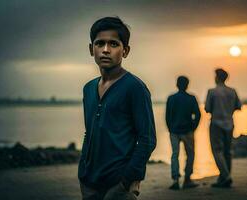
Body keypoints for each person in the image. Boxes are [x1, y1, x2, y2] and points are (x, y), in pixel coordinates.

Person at [78, 17, 157, 200]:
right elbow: (88, 133)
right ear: (92, 49)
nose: (106, 50)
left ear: (125, 51)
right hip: (89, 183)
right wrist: (83, 170)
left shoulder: (135, 87)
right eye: (100, 43)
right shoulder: (88, 89)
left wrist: (127, 181)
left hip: (119, 184)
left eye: (113, 44)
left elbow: (147, 139)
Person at [205, 68, 242, 188]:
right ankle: (224, 178)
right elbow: (238, 106)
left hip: (216, 123)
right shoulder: (232, 91)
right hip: (229, 124)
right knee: (228, 151)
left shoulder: (212, 92)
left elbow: (207, 108)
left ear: (217, 78)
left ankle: (226, 176)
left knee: (217, 151)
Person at [165, 76, 201, 190]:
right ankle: (187, 179)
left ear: (177, 84)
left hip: (174, 131)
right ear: (187, 85)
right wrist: (193, 127)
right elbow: (198, 115)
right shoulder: (191, 98)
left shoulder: (171, 98)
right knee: (190, 155)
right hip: (187, 131)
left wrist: (170, 128)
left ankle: (175, 180)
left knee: (175, 155)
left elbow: (167, 116)